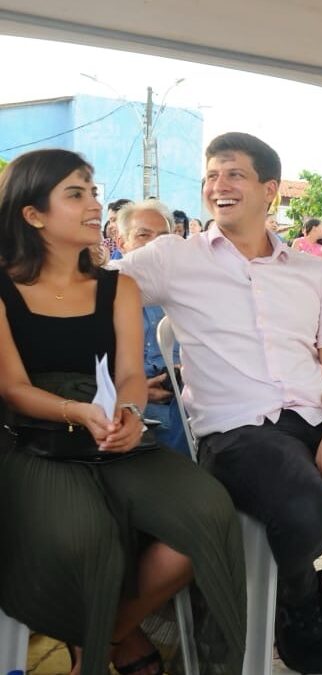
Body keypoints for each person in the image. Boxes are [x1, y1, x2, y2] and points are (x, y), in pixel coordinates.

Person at [115, 132, 322, 673]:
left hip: (317, 417)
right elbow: (86, 290)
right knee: (305, 508)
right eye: (212, 175)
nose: (219, 185)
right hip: (236, 434)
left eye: (234, 174)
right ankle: (297, 606)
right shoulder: (173, 259)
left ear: (269, 190)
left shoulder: (312, 272)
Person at [0, 149, 246, 674]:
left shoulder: (119, 286)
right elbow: (14, 388)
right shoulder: (3, 289)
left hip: (118, 430)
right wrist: (77, 411)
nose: (94, 202)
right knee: (84, 537)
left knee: (208, 513)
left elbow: (131, 371)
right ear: (32, 214)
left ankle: (105, 634)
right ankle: (105, 639)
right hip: (36, 438)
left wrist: (131, 412)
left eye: (92, 190)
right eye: (75, 193)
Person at [115, 198, 191, 458]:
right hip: (122, 403)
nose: (154, 246)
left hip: (181, 400)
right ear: (121, 242)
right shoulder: (103, 291)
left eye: (162, 238)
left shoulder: (187, 292)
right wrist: (134, 390)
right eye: (143, 235)